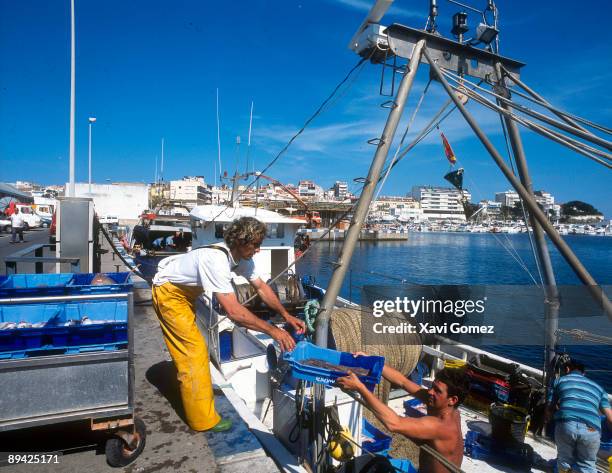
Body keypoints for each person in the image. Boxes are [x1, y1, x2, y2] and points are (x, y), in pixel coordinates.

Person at [151, 216, 305, 433]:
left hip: (186, 295)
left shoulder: (243, 260)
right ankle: (203, 421)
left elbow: (262, 287)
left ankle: (193, 394)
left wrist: (285, 315)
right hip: (169, 295)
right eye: (256, 245)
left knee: (192, 349)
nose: (259, 250)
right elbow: (233, 311)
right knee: (194, 354)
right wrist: (273, 331)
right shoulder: (216, 260)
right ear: (241, 242)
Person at [337, 361, 469, 473]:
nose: (430, 391)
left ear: (453, 400)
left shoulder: (441, 426)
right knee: (378, 463)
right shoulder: (446, 407)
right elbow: (403, 382)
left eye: (437, 390)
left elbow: (394, 423)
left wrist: (361, 388)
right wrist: (374, 362)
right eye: (432, 386)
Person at [547, 359, 612, 473]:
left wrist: (549, 419)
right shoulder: (599, 388)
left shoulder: (559, 381)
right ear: (584, 373)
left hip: (567, 424)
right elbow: (610, 419)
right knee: (588, 465)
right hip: (591, 430)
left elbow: (550, 408)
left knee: (564, 461)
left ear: (567, 369)